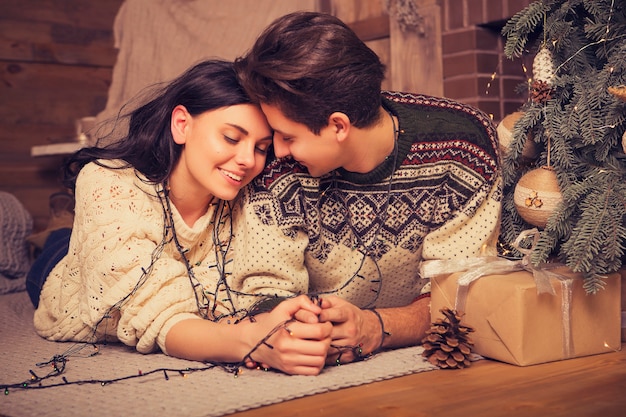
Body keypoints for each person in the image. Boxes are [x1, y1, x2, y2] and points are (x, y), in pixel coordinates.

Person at [28, 59, 332, 376]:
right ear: (182, 124)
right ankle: (57, 225)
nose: (246, 160)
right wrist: (249, 340)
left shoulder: (249, 195)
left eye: (261, 147)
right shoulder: (108, 182)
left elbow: (246, 294)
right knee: (55, 246)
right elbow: (162, 317)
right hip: (65, 277)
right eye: (231, 137)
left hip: (120, 239)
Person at [232, 11, 502, 365]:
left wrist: (377, 326)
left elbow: (460, 293)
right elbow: (261, 287)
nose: (275, 150)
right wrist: (289, 328)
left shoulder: (463, 148)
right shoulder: (277, 165)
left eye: (287, 137)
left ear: (339, 126)